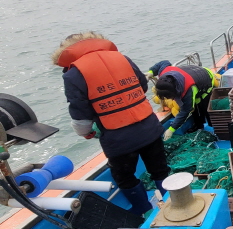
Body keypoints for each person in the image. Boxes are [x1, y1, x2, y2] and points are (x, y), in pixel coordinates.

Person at [53, 32, 169, 215]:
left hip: (119, 140)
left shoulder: (73, 75)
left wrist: (86, 132)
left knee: (123, 177)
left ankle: (143, 208)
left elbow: (79, 111)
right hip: (150, 128)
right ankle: (173, 203)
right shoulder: (122, 58)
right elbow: (142, 85)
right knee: (160, 169)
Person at [148, 60, 218, 140]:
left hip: (206, 78)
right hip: (191, 72)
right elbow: (164, 63)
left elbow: (185, 111)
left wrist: (171, 129)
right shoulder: (164, 76)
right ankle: (198, 125)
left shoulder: (188, 90)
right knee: (193, 107)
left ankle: (212, 126)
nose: (169, 99)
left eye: (169, 97)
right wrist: (151, 72)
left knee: (202, 106)